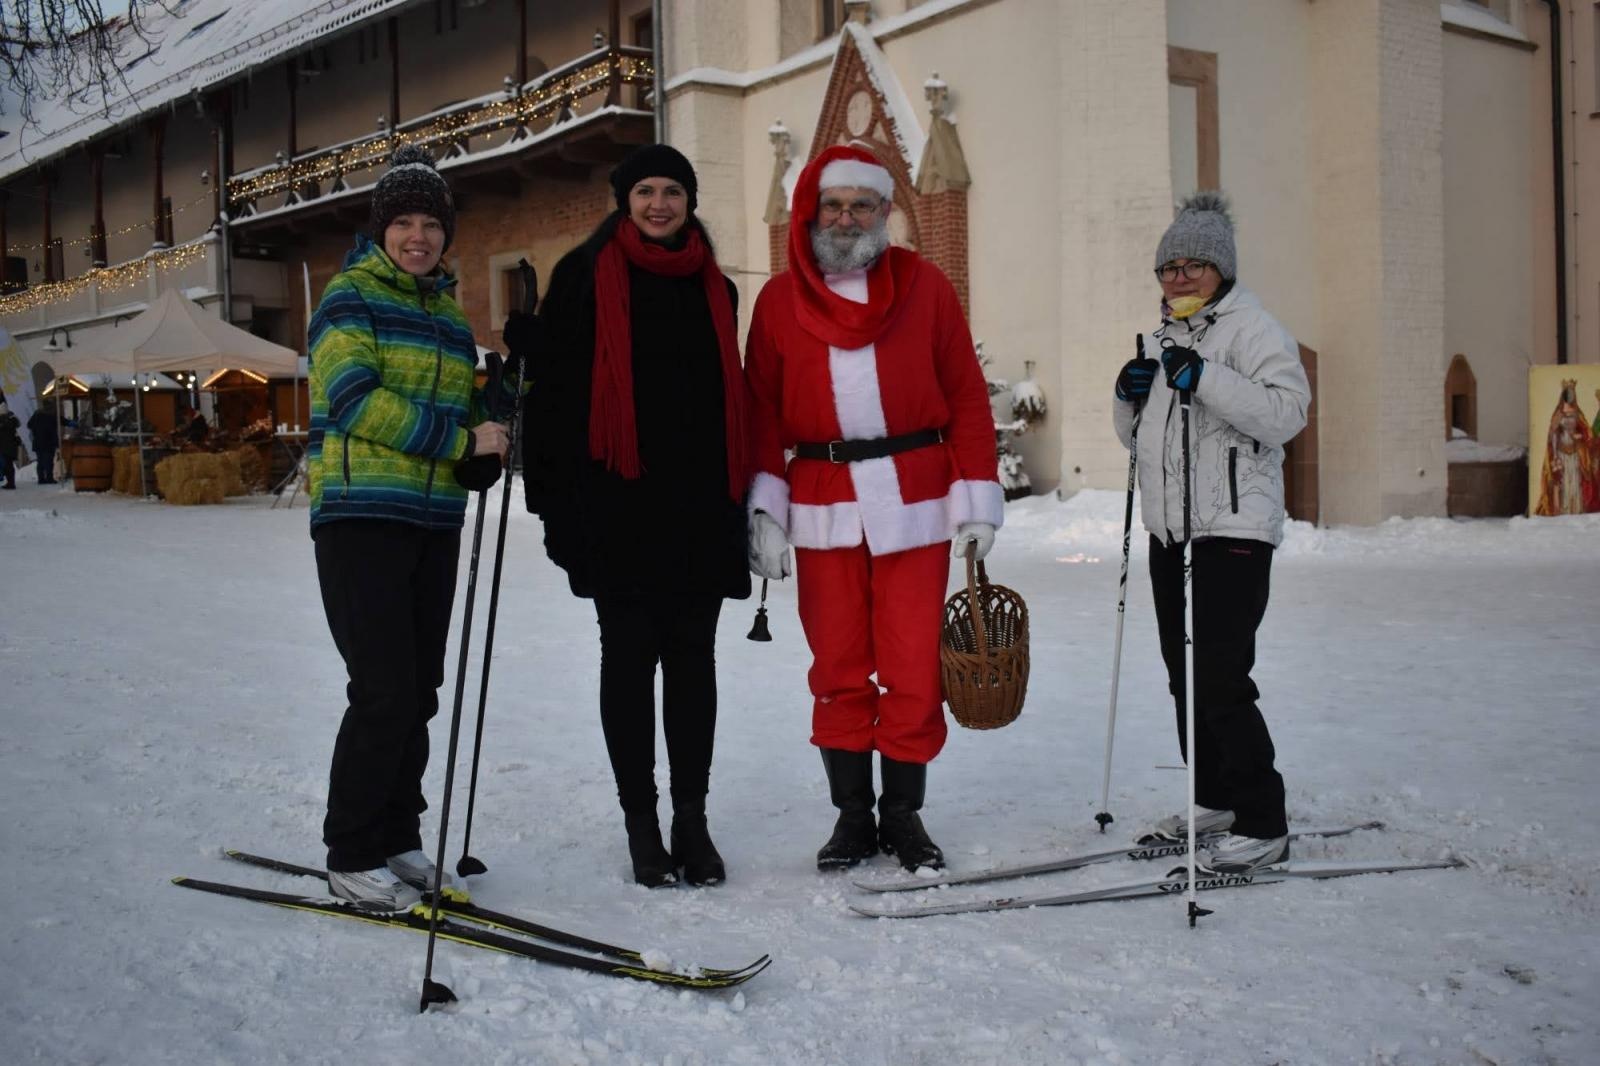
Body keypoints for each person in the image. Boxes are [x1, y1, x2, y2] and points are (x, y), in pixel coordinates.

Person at [744, 145, 1001, 873]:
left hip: (915, 495)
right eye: (835, 204)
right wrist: (765, 504)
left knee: (913, 661)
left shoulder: (926, 288)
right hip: (823, 498)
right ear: (811, 212)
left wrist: (977, 494)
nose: (848, 216)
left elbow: (966, 395)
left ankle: (904, 815)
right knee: (839, 663)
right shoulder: (778, 301)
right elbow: (759, 408)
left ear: (886, 213)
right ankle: (853, 818)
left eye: (863, 204)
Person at [520, 144, 750, 888]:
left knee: (693, 665)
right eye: (645, 191)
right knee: (628, 662)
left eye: (673, 191)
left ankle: (692, 819)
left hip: (698, 508)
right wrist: (556, 513)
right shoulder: (583, 277)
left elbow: (727, 399)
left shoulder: (716, 285)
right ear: (624, 199)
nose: (659, 204)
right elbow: (550, 408)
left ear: (689, 200)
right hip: (614, 511)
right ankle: (641, 824)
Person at [307, 144, 512, 910]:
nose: (419, 237)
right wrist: (456, 440)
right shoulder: (347, 301)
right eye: (404, 222)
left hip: (432, 523)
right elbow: (357, 400)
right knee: (383, 688)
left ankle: (397, 834)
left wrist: (486, 437)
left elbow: (461, 419)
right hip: (361, 519)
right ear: (381, 229)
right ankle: (351, 848)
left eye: (431, 223)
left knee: (420, 689)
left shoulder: (452, 324)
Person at [1111, 190, 1311, 873]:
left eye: (1195, 264)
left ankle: (1263, 819)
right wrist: (1128, 395)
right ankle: (1214, 798)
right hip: (1172, 529)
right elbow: (1140, 441)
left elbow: (1287, 414)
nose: (1180, 277)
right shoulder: (1165, 336)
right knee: (1184, 676)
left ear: (1222, 270)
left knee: (1222, 676)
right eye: (1170, 267)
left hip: (1233, 527)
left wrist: (1210, 378)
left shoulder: (1253, 331)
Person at [27, 402, 58, 485]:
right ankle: (49, 478)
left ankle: (41, 479)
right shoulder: (52, 416)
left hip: (38, 442)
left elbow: (29, 425)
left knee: (40, 462)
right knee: (49, 461)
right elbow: (54, 429)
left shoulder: (36, 415)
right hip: (49, 443)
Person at [0, 401, 20, 489]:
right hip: (12, 447)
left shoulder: (2, 421)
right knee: (9, 465)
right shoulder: (13, 420)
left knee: (5, 465)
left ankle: (10, 483)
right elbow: (16, 432)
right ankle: (11, 482)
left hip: (3, 447)